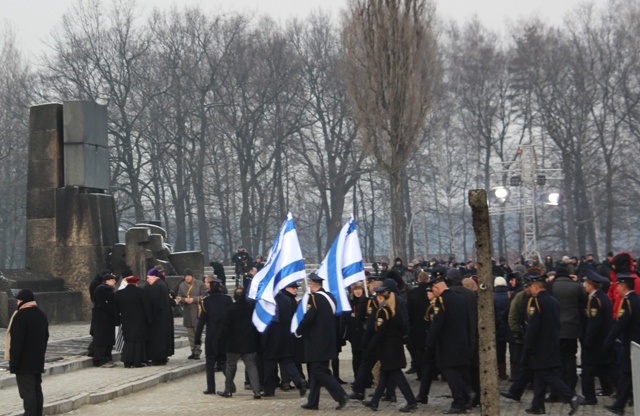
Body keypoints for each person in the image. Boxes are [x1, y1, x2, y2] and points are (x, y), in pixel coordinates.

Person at [523, 274, 583, 415]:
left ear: (535, 287)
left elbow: (533, 327)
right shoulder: (553, 301)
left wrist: (527, 345)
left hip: (540, 346)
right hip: (552, 342)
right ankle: (537, 405)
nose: (530, 289)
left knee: (547, 374)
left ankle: (572, 397)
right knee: (539, 374)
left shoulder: (536, 302)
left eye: (531, 286)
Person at [294, 274, 348, 410]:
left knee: (319, 371)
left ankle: (341, 395)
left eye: (310, 285)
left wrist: (298, 331)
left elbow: (309, 317)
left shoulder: (315, 298)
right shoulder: (330, 297)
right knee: (316, 371)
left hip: (317, 341)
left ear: (312, 285)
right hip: (328, 340)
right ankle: (313, 402)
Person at [362, 285, 418, 412]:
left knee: (397, 375)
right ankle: (374, 401)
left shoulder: (383, 311)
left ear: (380, 297)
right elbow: (403, 328)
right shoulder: (394, 311)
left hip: (388, 349)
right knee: (385, 375)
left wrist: (370, 347)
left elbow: (380, 332)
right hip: (394, 347)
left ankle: (411, 401)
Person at [426, 274, 473, 414]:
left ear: (436, 287)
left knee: (452, 376)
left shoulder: (441, 300)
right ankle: (467, 396)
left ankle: (459, 402)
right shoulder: (460, 298)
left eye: (433, 289)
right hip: (462, 342)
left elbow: (437, 323)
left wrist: (429, 342)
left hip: (448, 345)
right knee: (462, 373)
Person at [6, 289, 49, 416]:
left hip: (24, 363)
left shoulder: (21, 316)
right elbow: (46, 336)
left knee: (28, 393)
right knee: (36, 391)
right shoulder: (41, 314)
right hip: (37, 360)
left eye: (18, 300)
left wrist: (14, 362)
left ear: (23, 301)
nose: (17, 303)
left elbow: (17, 342)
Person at [546, 264, 586, 400]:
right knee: (570, 358)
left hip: (555, 329)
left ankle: (557, 392)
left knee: (557, 360)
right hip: (572, 329)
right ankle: (570, 388)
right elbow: (583, 304)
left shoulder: (550, 286)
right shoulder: (576, 287)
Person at [262, 281, 308, 397]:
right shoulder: (287, 300)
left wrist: (263, 339)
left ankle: (269, 390)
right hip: (285, 335)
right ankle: (299, 381)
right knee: (287, 362)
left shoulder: (270, 302)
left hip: (272, 338)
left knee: (269, 365)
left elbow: (269, 321)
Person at [603, 274, 640, 415]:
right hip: (636, 343)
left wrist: (608, 341)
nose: (617, 288)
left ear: (623, 287)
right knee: (628, 376)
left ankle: (619, 405)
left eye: (618, 285)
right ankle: (619, 404)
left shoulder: (627, 302)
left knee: (626, 373)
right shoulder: (637, 299)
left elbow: (620, 325)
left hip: (630, 344)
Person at [215, 287, 261, 399]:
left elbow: (225, 326)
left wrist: (217, 340)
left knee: (230, 366)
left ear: (235, 297)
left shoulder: (231, 309)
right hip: (248, 342)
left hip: (233, 343)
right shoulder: (251, 308)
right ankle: (257, 391)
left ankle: (228, 390)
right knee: (251, 366)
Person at [580, 269, 614, 406]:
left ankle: (589, 396)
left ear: (591, 284)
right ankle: (624, 390)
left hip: (596, 342)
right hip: (603, 340)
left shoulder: (595, 300)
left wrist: (587, 341)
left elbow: (594, 324)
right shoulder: (603, 297)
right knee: (606, 368)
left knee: (587, 370)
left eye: (585, 283)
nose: (584, 285)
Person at [195, 277, 233, 395]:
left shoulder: (206, 301)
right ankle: (230, 383)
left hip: (211, 335)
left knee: (210, 362)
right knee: (223, 361)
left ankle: (211, 387)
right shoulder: (227, 300)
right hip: (225, 335)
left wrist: (197, 338)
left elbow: (201, 321)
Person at [114, 274, 152, 368]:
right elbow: (147, 307)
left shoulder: (119, 293)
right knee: (138, 342)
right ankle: (137, 361)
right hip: (140, 321)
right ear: (136, 283)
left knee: (128, 340)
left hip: (126, 320)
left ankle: (127, 361)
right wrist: (149, 319)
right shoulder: (141, 292)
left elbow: (115, 309)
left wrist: (117, 321)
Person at [144, 268, 174, 366]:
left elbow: (153, 304)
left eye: (148, 278)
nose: (147, 280)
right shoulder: (162, 284)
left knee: (158, 339)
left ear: (154, 277)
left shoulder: (156, 286)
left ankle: (158, 358)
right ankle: (162, 357)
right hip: (163, 318)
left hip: (158, 319)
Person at [176, 268, 207, 360]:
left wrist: (194, 299)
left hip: (197, 311)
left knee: (198, 333)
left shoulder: (199, 284)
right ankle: (193, 351)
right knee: (190, 334)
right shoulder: (181, 285)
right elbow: (178, 297)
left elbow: (205, 295)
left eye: (188, 276)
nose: (187, 278)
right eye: (186, 276)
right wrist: (184, 300)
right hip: (187, 312)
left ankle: (197, 351)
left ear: (192, 276)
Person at [91, 273, 118, 367]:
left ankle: (107, 358)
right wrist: (112, 310)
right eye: (113, 280)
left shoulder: (109, 290)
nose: (115, 281)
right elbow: (102, 304)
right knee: (102, 340)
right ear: (108, 281)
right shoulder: (101, 289)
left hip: (108, 320)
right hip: (102, 320)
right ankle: (102, 360)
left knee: (108, 340)